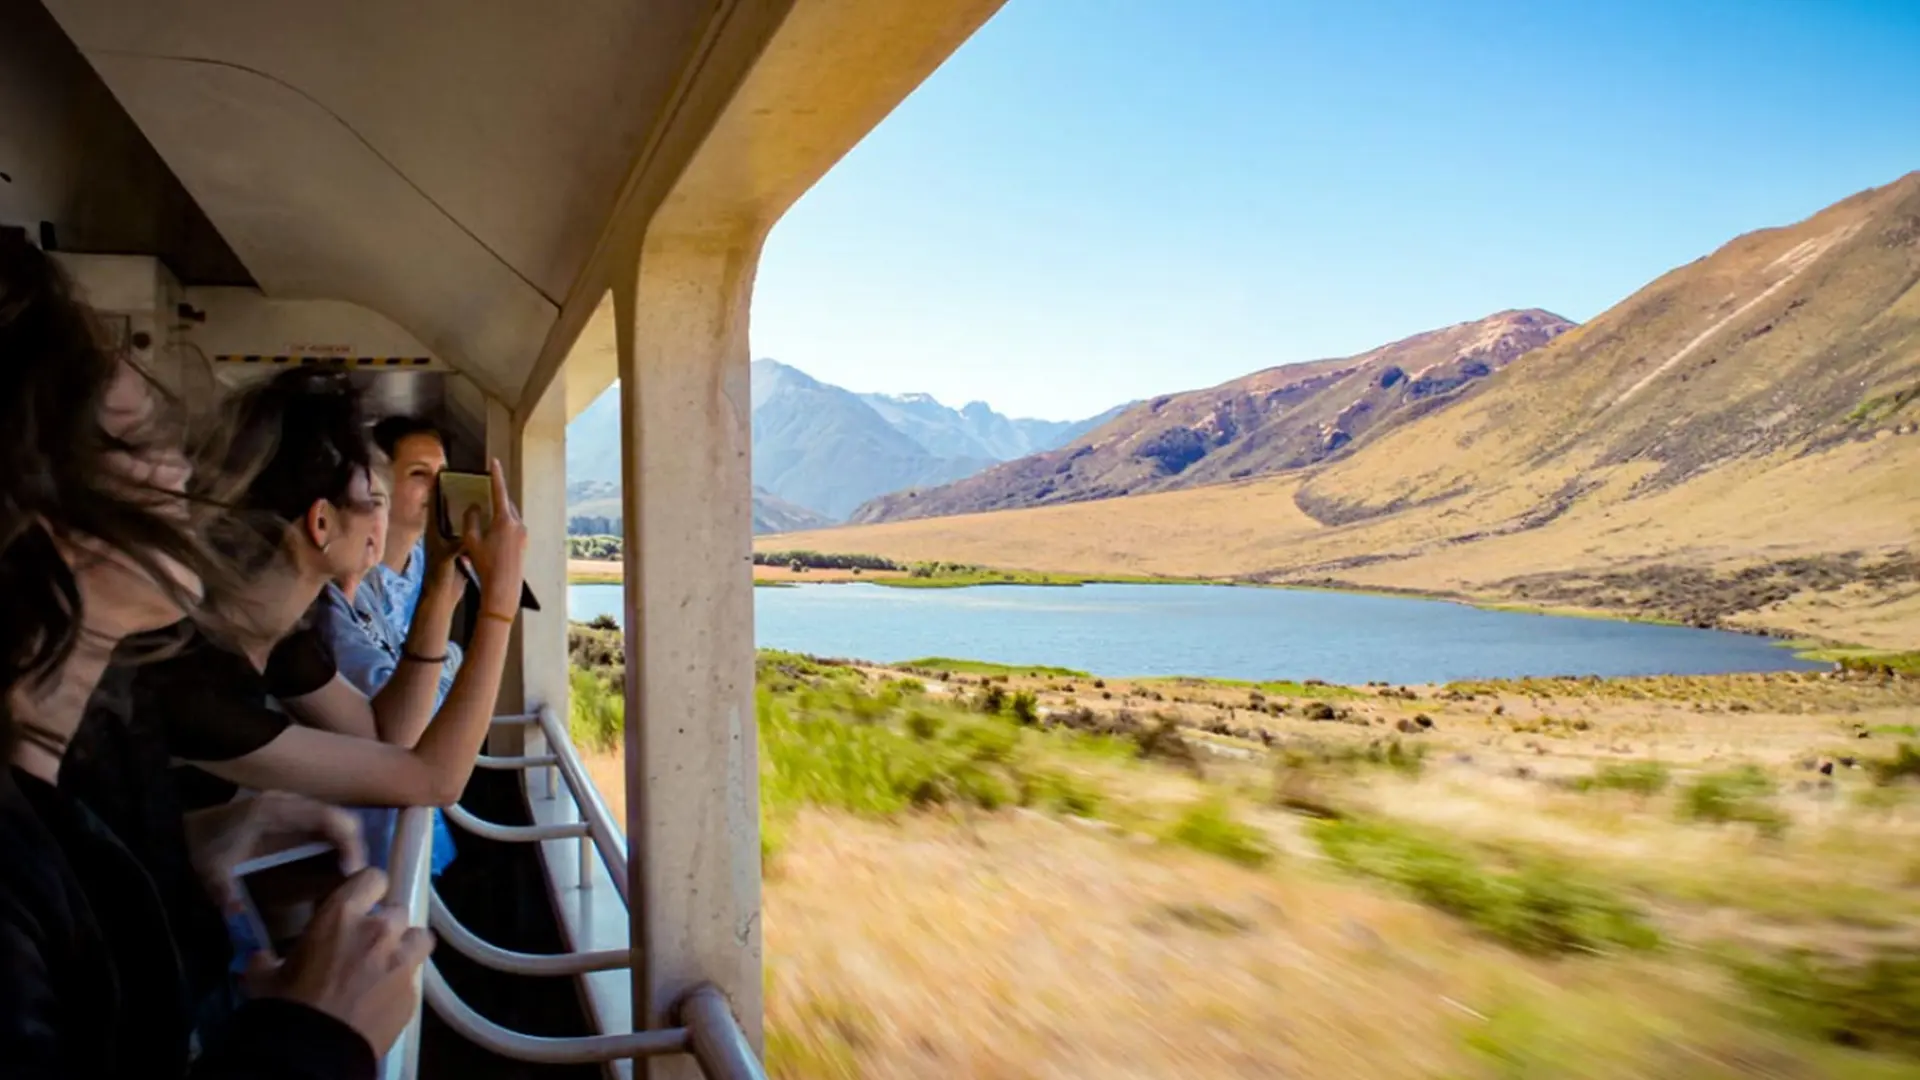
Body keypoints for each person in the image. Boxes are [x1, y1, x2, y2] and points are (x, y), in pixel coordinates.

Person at [0, 233, 430, 1078]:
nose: (184, 475)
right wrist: (313, 1044)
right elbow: (421, 768)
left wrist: (204, 837)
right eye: (139, 443)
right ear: (34, 507)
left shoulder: (72, 773)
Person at [312, 457, 459, 876]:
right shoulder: (320, 619)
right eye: (375, 502)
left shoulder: (363, 601)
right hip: (355, 866)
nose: (382, 518)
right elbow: (409, 729)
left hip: (390, 854)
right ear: (321, 522)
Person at [367, 415, 451, 634]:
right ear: (378, 483)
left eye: (443, 473)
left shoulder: (430, 557)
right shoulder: (355, 571)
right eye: (419, 473)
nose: (437, 486)